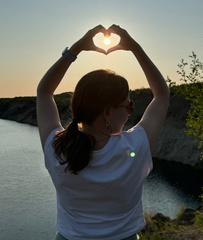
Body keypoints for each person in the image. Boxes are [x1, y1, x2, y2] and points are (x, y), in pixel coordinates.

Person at [37, 24, 169, 240]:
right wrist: (135, 48)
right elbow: (162, 94)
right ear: (107, 113)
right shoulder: (135, 147)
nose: (129, 113)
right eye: (128, 106)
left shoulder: (57, 149)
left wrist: (76, 49)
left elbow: (44, 92)